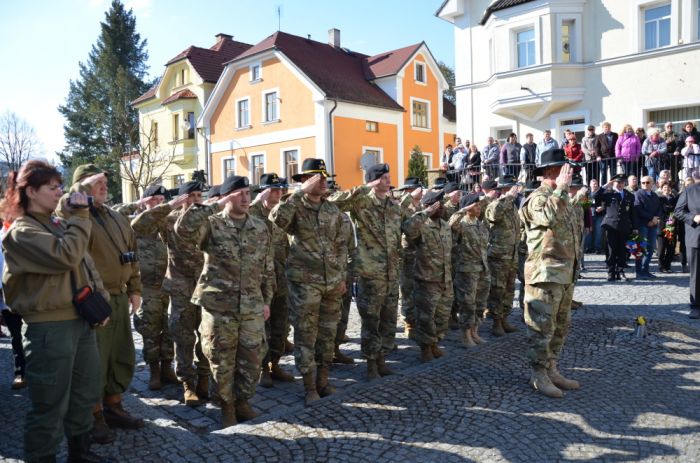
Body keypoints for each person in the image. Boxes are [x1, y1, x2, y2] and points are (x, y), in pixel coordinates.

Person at [2, 160, 106, 462]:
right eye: (52, 187)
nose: (58, 192)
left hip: (79, 321)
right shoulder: (21, 232)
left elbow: (83, 263)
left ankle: (80, 454)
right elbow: (67, 255)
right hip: (49, 329)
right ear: (31, 191)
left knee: (83, 395)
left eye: (60, 185)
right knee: (49, 405)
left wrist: (97, 302)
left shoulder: (55, 222)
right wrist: (82, 213)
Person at [175, 175, 273, 427]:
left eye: (248, 193)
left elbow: (267, 267)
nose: (244, 197)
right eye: (238, 193)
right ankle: (227, 407)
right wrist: (214, 204)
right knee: (222, 360)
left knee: (252, 358)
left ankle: (243, 401)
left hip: (252, 304)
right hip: (219, 306)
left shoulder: (260, 227)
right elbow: (183, 230)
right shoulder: (211, 223)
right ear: (226, 196)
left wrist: (266, 300)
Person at [56, 164, 143, 440]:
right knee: (94, 362)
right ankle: (93, 415)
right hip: (92, 302)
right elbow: (62, 206)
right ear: (80, 186)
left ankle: (114, 407)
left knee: (120, 355)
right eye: (96, 182)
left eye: (106, 180)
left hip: (118, 297)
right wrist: (81, 193)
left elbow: (132, 253)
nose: (104, 185)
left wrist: (135, 288)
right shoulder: (72, 215)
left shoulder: (117, 217)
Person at [270, 158, 345, 404]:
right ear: (304, 180)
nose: (324, 181)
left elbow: (339, 245)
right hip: (304, 283)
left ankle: (323, 380)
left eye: (325, 177)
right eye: (317, 177)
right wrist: (297, 194)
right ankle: (309, 386)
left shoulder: (332, 209)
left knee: (327, 333)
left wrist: (341, 275)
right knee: (306, 335)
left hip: (331, 282)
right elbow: (276, 220)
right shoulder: (294, 206)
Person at [130, 181, 211, 408]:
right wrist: (170, 205)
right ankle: (187, 383)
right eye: (191, 196)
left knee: (206, 334)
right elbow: (138, 226)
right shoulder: (169, 219)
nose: (196, 200)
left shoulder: (208, 218)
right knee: (183, 336)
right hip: (180, 287)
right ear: (182, 197)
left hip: (205, 286)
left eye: (199, 195)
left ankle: (204, 378)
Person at [328, 163, 402, 381]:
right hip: (370, 273)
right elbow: (333, 202)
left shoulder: (393, 205)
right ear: (373, 180)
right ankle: (371, 363)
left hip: (391, 272)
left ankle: (382, 359)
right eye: (384, 177)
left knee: (388, 320)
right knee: (371, 320)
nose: (388, 180)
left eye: (389, 176)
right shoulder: (362, 201)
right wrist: (363, 187)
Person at [519, 151, 580, 398]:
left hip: (563, 274)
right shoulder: (537, 198)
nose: (570, 174)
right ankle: (539, 374)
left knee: (560, 326)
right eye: (564, 170)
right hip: (544, 273)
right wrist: (562, 189)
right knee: (541, 328)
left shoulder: (561, 197)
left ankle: (552, 367)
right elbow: (548, 216)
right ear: (551, 172)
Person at [115, 185, 177, 391]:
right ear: (144, 201)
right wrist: (137, 205)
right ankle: (154, 371)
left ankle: (168, 367)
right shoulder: (132, 221)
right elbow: (115, 213)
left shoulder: (169, 220)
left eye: (161, 200)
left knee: (169, 328)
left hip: (168, 284)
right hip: (146, 286)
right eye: (153, 200)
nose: (158, 204)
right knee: (149, 329)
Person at [249, 173, 296, 387]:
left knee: (280, 324)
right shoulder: (253, 211)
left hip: (282, 277)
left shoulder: (280, 213)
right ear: (264, 191)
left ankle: (274, 364)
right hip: (260, 280)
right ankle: (262, 369)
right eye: (274, 190)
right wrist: (257, 200)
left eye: (280, 190)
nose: (278, 193)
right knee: (262, 327)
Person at [402, 190, 453, 362]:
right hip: (427, 280)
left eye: (442, 204)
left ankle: (434, 343)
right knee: (425, 317)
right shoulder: (421, 225)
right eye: (438, 204)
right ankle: (425, 348)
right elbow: (407, 229)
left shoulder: (445, 225)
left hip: (445, 279)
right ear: (429, 206)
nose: (442, 207)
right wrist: (425, 213)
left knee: (442, 316)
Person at [449, 193, 489, 347]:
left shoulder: (480, 224)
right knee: (467, 304)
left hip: (482, 269)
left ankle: (475, 331)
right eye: (476, 205)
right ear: (468, 208)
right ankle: (466, 335)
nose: (479, 208)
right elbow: (451, 223)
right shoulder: (462, 224)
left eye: (479, 205)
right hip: (467, 270)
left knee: (480, 303)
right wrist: (463, 209)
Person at [484, 174, 521, 337]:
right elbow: (493, 215)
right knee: (497, 290)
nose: (517, 190)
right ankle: (496, 322)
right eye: (513, 188)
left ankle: (505, 318)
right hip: (498, 255)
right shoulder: (496, 204)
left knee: (509, 289)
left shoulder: (512, 206)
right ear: (505, 189)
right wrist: (509, 197)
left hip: (511, 255)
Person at [593, 173, 637, 281]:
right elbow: (595, 195)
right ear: (613, 183)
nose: (620, 185)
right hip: (611, 226)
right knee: (611, 250)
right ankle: (611, 272)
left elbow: (632, 213)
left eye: (622, 182)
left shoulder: (629, 195)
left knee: (623, 251)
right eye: (617, 182)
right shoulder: (608, 193)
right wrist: (606, 185)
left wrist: (635, 227)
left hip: (624, 226)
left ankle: (621, 271)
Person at [396, 178, 423, 339]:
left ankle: (416, 319)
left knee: (417, 289)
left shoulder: (419, 206)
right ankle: (408, 323)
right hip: (407, 252)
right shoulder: (402, 206)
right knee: (406, 290)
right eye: (417, 189)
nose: (420, 191)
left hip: (419, 252)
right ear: (408, 190)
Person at [674, 178, 700, 319]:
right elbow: (678, 211)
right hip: (696, 238)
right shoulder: (690, 190)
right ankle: (696, 306)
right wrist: (693, 217)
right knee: (696, 274)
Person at [634, 176, 662, 279]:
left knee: (650, 249)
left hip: (653, 225)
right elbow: (638, 209)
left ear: (652, 183)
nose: (645, 184)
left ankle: (646, 270)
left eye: (647, 182)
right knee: (641, 249)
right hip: (643, 225)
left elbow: (659, 208)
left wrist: (656, 218)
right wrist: (651, 218)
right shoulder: (638, 194)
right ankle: (639, 272)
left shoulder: (654, 195)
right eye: (643, 183)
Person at [657, 182, 677, 273]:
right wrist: (668, 220)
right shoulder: (659, 199)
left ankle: (667, 266)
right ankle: (661, 266)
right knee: (661, 248)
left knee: (671, 248)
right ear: (661, 189)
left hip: (671, 226)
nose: (666, 189)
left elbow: (676, 210)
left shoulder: (674, 199)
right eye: (664, 187)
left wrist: (672, 218)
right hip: (662, 226)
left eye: (668, 187)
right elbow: (660, 212)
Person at [585, 179, 605, 254]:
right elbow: (584, 204)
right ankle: (588, 248)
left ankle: (598, 248)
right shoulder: (587, 193)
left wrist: (602, 207)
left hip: (599, 215)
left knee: (598, 232)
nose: (595, 185)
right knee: (588, 232)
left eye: (596, 184)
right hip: (589, 214)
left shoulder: (601, 192)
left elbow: (604, 202)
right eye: (593, 184)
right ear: (590, 185)